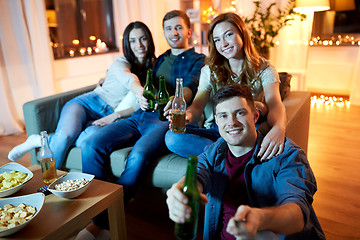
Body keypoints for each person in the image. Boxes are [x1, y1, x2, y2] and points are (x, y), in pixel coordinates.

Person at [75, 10, 205, 240]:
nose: (174, 32)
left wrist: (177, 100)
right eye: (168, 28)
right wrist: (108, 79)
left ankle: (99, 224)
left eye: (178, 27)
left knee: (138, 155)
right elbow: (132, 77)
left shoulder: (199, 61)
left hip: (164, 121)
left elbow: (193, 87)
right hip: (139, 117)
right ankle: (98, 215)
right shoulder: (158, 60)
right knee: (91, 144)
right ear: (163, 33)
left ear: (189, 31)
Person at [166, 83, 325, 240]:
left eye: (240, 113)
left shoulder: (287, 154)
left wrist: (260, 219)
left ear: (255, 115)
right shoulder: (214, 151)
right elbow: (197, 174)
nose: (232, 122)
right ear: (216, 121)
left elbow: (296, 215)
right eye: (223, 116)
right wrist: (180, 191)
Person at [7, 21, 156, 169]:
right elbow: (127, 78)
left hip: (106, 116)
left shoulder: (155, 67)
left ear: (149, 39)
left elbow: (137, 104)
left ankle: (42, 140)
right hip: (88, 103)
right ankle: (48, 185)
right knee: (65, 136)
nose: (139, 45)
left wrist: (116, 114)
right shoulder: (121, 62)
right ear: (127, 44)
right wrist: (140, 91)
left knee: (87, 140)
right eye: (132, 40)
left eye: (143, 38)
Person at [165, 12, 286, 161]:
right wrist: (187, 116)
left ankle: (222, 157)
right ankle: (234, 157)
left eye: (228, 35)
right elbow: (196, 108)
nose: (223, 44)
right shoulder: (209, 71)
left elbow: (275, 104)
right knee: (172, 138)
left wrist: (278, 128)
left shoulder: (265, 69)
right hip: (217, 130)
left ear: (242, 34)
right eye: (217, 40)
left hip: (244, 130)